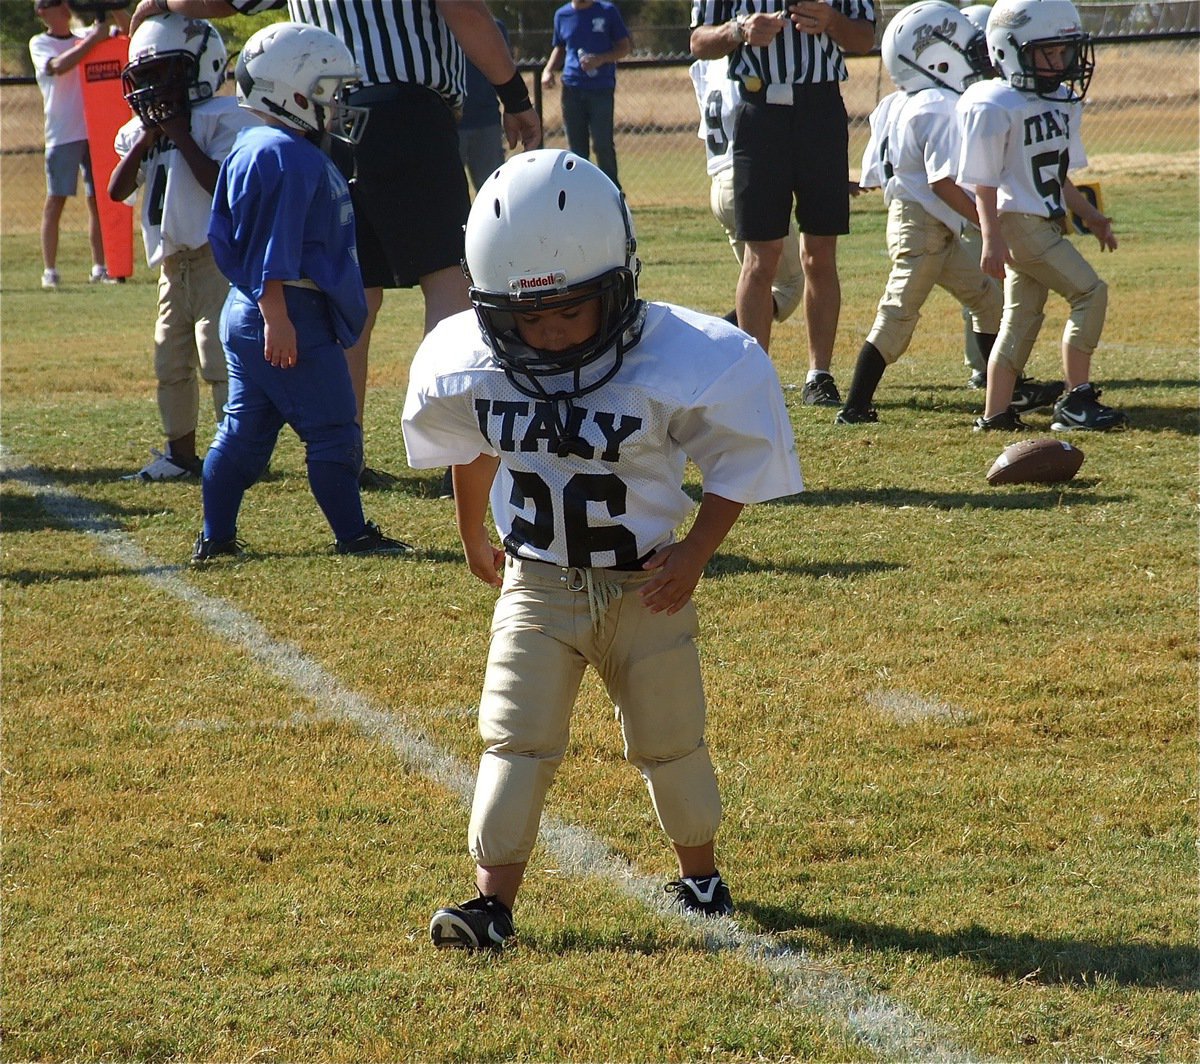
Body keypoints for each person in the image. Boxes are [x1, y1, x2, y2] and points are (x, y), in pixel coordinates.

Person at [402, 149, 804, 949]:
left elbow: (738, 461)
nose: (547, 333)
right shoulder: (478, 361)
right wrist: (470, 528)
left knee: (671, 740)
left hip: (645, 586)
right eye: (527, 318)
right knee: (513, 737)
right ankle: (491, 906)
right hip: (539, 580)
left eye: (569, 312)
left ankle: (701, 878)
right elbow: (477, 443)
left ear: (618, 287)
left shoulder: (680, 357)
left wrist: (696, 551)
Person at [129, 0, 542, 491]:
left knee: (352, 285)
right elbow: (466, 11)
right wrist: (514, 96)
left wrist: (160, 2)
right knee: (447, 278)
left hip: (329, 113)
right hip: (410, 111)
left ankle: (344, 450)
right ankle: (453, 455)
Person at [192, 22, 412, 563]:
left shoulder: (264, 145)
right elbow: (273, 244)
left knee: (244, 435)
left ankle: (215, 537)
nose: (335, 104)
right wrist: (279, 316)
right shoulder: (283, 154)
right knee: (334, 428)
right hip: (287, 308)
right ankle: (354, 534)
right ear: (289, 90)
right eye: (326, 91)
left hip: (253, 309)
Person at [836, 2, 1065, 425]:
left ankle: (1007, 390)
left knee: (987, 297)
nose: (979, 58)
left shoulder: (898, 103)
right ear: (935, 57)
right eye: (969, 49)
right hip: (921, 227)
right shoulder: (938, 104)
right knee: (898, 313)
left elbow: (878, 172)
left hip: (928, 224)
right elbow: (942, 182)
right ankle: (854, 406)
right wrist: (987, 223)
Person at [690, 0, 876, 407]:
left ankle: (819, 375)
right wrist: (738, 31)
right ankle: (754, 376)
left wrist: (833, 22)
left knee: (820, 254)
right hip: (759, 114)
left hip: (820, 109)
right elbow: (698, 40)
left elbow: (865, 37)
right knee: (760, 256)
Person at [959, 0, 1127, 431]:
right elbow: (985, 182)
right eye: (1046, 52)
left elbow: (1057, 174)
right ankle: (1076, 400)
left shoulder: (1060, 101)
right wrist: (992, 238)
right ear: (1010, 49)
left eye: (1063, 51)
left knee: (1022, 318)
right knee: (1090, 292)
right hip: (1020, 223)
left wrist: (1092, 215)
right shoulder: (994, 102)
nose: (1059, 62)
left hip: (1040, 221)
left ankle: (995, 413)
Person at [110, 12, 258, 481]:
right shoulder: (139, 132)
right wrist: (149, 139)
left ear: (201, 67)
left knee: (217, 357)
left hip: (216, 257)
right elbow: (117, 190)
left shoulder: (223, 118)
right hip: (171, 267)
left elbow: (222, 185)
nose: (153, 87)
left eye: (164, 74)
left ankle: (232, 449)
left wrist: (178, 134)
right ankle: (180, 454)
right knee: (169, 359)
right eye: (144, 77)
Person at [689, 57, 804, 328]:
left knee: (756, 280)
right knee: (787, 285)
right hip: (746, 180)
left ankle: (730, 344)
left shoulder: (705, 67)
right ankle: (718, 336)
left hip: (718, 184)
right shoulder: (750, 63)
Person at [29, 0, 126, 289]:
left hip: (94, 131)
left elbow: (126, 31)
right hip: (62, 134)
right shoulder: (40, 42)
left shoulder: (84, 35)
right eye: (54, 4)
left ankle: (101, 266)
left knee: (98, 201)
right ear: (42, 12)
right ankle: (50, 271)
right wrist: (93, 39)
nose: (63, 8)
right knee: (55, 200)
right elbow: (58, 66)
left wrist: (112, 5)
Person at [541, 0, 632, 189]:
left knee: (602, 144)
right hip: (572, 89)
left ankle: (612, 192)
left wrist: (601, 59)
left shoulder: (607, 11)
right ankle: (579, 192)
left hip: (601, 88)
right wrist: (548, 70)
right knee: (576, 149)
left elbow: (624, 47)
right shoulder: (562, 15)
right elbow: (560, 47)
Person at [459, 19, 510, 195]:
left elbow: (504, 70)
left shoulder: (493, 27)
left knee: (494, 193)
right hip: (448, 122)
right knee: (445, 194)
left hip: (486, 121)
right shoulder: (436, 23)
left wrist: (513, 105)